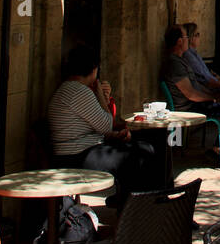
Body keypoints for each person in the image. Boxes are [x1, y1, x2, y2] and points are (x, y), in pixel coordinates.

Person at [48, 44, 158, 199]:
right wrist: (100, 94)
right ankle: (139, 206)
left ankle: (138, 202)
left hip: (77, 152)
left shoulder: (69, 89)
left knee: (144, 147)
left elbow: (93, 128)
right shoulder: (79, 91)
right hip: (76, 157)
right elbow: (107, 125)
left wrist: (114, 135)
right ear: (94, 69)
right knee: (141, 154)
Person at [160, 26, 220, 160]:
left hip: (197, 104)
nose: (188, 40)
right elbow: (191, 94)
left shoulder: (181, 60)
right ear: (179, 41)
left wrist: (216, 95)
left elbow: (197, 87)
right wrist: (213, 98)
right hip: (190, 107)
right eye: (186, 37)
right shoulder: (174, 64)